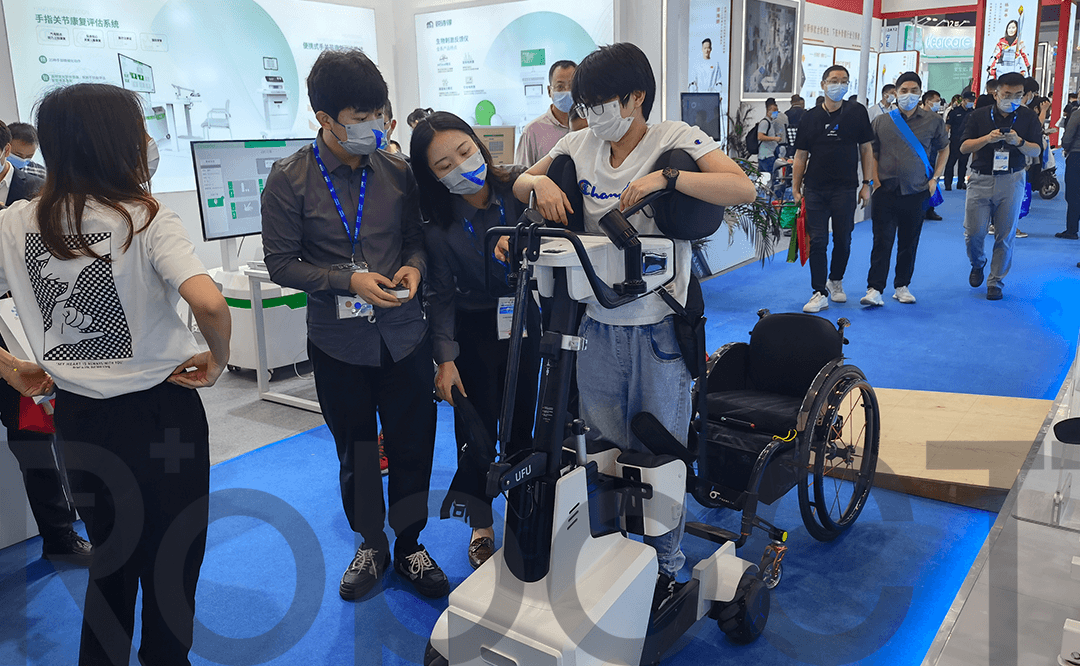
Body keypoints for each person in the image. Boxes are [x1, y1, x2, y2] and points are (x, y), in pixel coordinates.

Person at [511, 42, 756, 610]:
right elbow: (522, 183)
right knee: (602, 446)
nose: (590, 115)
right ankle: (613, 551)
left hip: (659, 326)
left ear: (635, 97)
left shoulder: (674, 138)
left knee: (657, 448)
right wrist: (538, 185)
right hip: (596, 321)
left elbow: (740, 187)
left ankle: (666, 566)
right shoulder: (578, 144)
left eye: (600, 103)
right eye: (584, 104)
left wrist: (667, 179)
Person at [0, 83, 231, 666]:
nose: (149, 141)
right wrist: (218, 359)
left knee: (110, 558)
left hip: (79, 418)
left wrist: (10, 368)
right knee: (173, 556)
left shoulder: (14, 222)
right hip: (163, 412)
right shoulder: (145, 217)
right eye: (140, 130)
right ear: (115, 141)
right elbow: (209, 303)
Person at [261, 49, 448, 601]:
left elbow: (415, 239)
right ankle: (371, 542)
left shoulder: (397, 172)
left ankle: (410, 544)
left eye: (379, 113)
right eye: (359, 118)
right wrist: (348, 281)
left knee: (414, 446)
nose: (374, 126)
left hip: (405, 336)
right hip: (338, 343)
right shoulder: (288, 180)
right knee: (358, 452)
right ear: (324, 118)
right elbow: (281, 263)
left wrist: (414, 266)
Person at [409, 111, 540, 570]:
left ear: (478, 144)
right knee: (475, 429)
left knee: (524, 422)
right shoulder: (438, 226)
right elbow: (440, 296)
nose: (461, 167)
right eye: (444, 165)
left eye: (464, 151)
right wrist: (445, 359)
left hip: (524, 319)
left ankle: (524, 513)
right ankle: (481, 525)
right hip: (472, 330)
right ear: (431, 176)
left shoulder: (518, 189)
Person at [0, 119, 93, 568]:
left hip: (18, 331)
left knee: (33, 437)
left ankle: (58, 534)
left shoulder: (38, 189)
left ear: (5, 153)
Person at [791, 65, 875, 314]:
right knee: (818, 240)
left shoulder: (856, 112)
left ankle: (835, 279)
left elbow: (866, 149)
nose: (839, 85)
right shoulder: (810, 117)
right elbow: (800, 156)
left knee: (844, 239)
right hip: (815, 188)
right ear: (823, 84)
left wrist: (867, 184)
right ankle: (819, 291)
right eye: (834, 80)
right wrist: (795, 188)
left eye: (844, 81)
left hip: (846, 188)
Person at [861, 71, 948, 307]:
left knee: (909, 241)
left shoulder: (933, 121)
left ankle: (902, 285)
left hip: (917, 190)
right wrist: (875, 181)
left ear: (920, 93)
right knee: (882, 241)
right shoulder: (881, 121)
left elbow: (944, 149)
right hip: (886, 190)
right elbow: (872, 152)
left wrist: (935, 178)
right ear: (895, 93)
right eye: (903, 90)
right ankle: (874, 288)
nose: (908, 95)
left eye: (913, 90)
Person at [959, 71, 1042, 300]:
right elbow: (964, 147)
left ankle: (995, 281)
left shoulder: (1028, 117)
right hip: (980, 178)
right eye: (1007, 94)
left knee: (1005, 234)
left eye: (1017, 95)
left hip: (1012, 179)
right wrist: (986, 139)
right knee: (974, 233)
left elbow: (1036, 150)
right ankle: (978, 262)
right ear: (996, 94)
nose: (1012, 99)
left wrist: (1020, 142)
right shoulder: (978, 115)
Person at [516, 60, 576, 167]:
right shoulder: (532, 132)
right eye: (560, 87)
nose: (567, 91)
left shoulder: (591, 126)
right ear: (549, 91)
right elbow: (521, 174)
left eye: (572, 86)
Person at [1057, 96, 1080, 240]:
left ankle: (1072, 230)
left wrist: (1065, 147)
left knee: (1073, 194)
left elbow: (1068, 135)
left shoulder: (1077, 114)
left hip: (1077, 156)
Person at [944, 91, 976, 190]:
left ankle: (961, 182)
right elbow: (947, 126)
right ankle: (948, 183)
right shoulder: (954, 112)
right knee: (951, 163)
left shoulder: (973, 112)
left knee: (963, 163)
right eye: (969, 100)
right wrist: (944, 139)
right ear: (963, 100)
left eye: (973, 100)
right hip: (955, 141)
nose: (971, 102)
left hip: (966, 141)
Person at [921, 90, 944, 221]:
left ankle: (930, 209)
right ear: (928, 101)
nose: (938, 103)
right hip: (920, 154)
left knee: (933, 180)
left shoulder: (937, 119)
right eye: (936, 101)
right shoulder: (917, 117)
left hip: (933, 153)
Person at [756, 99, 785, 175]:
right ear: (768, 111)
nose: (776, 112)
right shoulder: (764, 122)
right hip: (766, 156)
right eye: (774, 110)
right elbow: (760, 136)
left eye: (777, 110)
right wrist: (774, 138)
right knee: (772, 176)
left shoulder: (771, 122)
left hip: (770, 154)